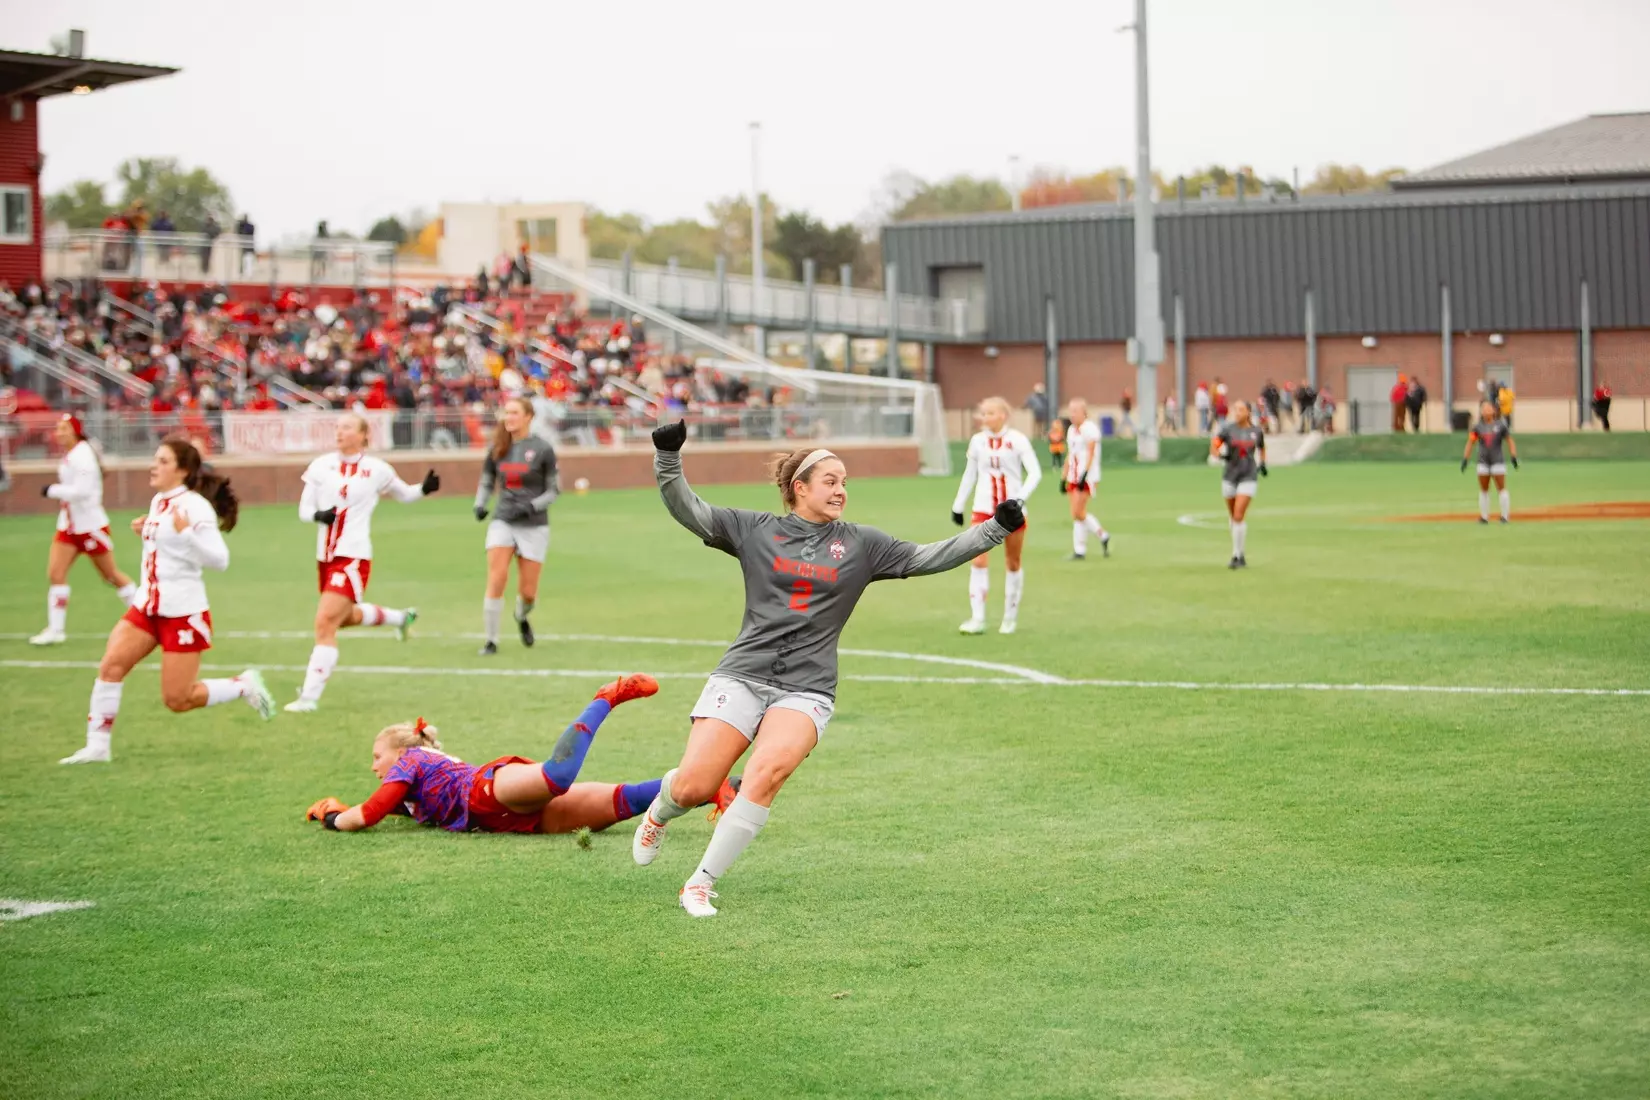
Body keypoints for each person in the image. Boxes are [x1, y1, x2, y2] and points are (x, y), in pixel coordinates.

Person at [631, 422, 1025, 917]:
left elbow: (929, 557)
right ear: (800, 488)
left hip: (807, 687)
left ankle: (700, 883)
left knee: (765, 775)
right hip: (742, 674)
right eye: (831, 481)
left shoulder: (862, 544)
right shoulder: (753, 529)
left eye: (844, 482)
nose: (841, 491)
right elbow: (689, 508)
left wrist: (994, 529)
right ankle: (660, 812)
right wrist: (668, 457)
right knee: (695, 786)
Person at [303, 675, 739, 835]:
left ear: (400, 750)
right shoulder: (412, 781)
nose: (373, 765)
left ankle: (607, 697)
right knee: (622, 804)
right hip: (503, 820)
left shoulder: (409, 762)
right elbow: (398, 807)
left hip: (487, 791)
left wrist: (333, 817)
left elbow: (370, 814)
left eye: (377, 755)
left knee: (557, 777)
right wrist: (345, 807)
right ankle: (708, 788)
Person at [61, 439, 275, 764]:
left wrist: (186, 533)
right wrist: (146, 527)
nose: (153, 466)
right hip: (147, 607)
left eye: (162, 461)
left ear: (183, 470)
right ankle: (97, 747)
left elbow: (220, 560)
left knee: (178, 699)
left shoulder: (195, 506)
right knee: (110, 667)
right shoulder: (160, 499)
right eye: (155, 459)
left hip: (182, 613)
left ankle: (242, 685)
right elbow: (167, 544)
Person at [286, 413, 440, 713]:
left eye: (346, 427)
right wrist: (318, 516)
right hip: (325, 556)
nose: (339, 432)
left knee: (325, 622)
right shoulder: (321, 466)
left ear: (363, 435)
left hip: (353, 556)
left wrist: (424, 488)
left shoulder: (377, 469)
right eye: (337, 427)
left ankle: (308, 697)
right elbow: (304, 508)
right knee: (342, 617)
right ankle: (400, 618)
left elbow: (404, 493)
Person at [30, 415, 136, 646]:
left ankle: (145, 613)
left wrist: (52, 490)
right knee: (56, 573)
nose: (59, 433)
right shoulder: (72, 454)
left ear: (75, 431)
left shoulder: (83, 455)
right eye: (57, 428)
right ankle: (56, 629)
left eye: (64, 428)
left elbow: (83, 491)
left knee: (111, 575)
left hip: (90, 525)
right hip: (69, 525)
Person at [473, 396, 558, 655]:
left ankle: (521, 617)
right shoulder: (497, 447)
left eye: (514, 413)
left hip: (533, 525)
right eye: (506, 412)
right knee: (496, 578)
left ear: (528, 416)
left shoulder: (543, 449)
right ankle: (491, 640)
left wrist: (532, 506)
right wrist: (480, 504)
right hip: (503, 520)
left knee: (529, 593)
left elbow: (554, 490)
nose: (508, 417)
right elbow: (487, 481)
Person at [951, 396, 1041, 635]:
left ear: (1003, 415)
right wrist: (958, 505)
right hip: (983, 510)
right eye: (984, 413)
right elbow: (970, 474)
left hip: (1012, 512)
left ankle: (1009, 618)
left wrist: (1019, 499)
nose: (985, 418)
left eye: (990, 413)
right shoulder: (978, 441)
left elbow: (1035, 473)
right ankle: (977, 618)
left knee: (1013, 562)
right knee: (977, 560)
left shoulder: (1017, 440)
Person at [1210, 399, 1267, 569]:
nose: (1237, 412)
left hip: (1248, 475)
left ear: (1248, 412)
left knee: (1238, 514)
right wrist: (1219, 455)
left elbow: (1262, 448)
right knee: (1234, 517)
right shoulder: (1228, 429)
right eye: (1235, 409)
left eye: (1241, 409)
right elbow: (1214, 445)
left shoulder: (1256, 431)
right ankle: (1239, 553)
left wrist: (1263, 463)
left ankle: (1236, 556)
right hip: (1230, 475)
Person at [1059, 398, 1109, 560]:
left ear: (1084, 412)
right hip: (1073, 475)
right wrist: (1063, 476)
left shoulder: (1090, 429)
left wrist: (1085, 475)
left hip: (1087, 476)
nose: (1072, 414)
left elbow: (1092, 453)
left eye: (1075, 411)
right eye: (1070, 410)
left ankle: (1098, 536)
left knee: (1078, 511)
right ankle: (1083, 547)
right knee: (1077, 513)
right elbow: (1070, 453)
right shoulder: (1071, 430)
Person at [1461, 401, 1519, 524]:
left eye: (1488, 408)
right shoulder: (1478, 427)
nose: (1486, 410)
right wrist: (1465, 459)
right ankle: (1484, 517)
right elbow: (1471, 442)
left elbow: (1509, 441)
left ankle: (1504, 516)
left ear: (1494, 410)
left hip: (1497, 461)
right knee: (1484, 489)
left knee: (1501, 488)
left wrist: (1513, 456)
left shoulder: (1501, 425)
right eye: (1483, 408)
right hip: (1483, 461)